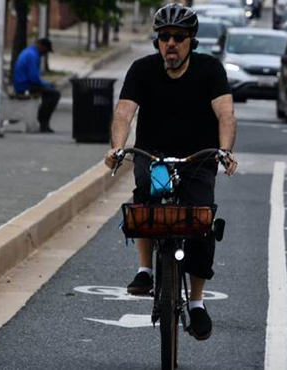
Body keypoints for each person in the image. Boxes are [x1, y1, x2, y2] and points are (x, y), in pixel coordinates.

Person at [104, 3, 238, 341]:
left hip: (198, 159)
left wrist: (225, 151)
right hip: (154, 155)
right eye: (164, 37)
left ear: (191, 40)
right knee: (147, 196)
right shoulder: (142, 70)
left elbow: (226, 114)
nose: (171, 43)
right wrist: (117, 148)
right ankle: (145, 270)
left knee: (201, 221)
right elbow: (124, 113)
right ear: (157, 41)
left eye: (178, 37)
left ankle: (196, 302)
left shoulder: (209, 70)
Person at [13, 38, 61, 133]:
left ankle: (42, 120)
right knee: (54, 94)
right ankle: (43, 121)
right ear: (41, 46)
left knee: (49, 92)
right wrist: (48, 85)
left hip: (22, 83)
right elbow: (34, 79)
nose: (45, 54)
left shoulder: (29, 52)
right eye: (46, 51)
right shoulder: (33, 55)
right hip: (25, 86)